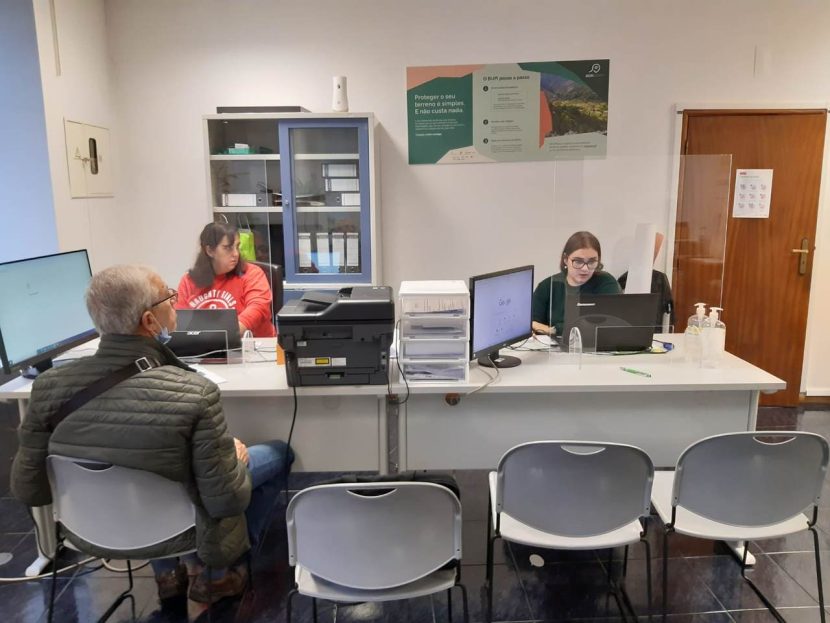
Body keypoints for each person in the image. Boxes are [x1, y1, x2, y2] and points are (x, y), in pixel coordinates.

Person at [10, 265, 292, 604]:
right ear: (149, 321)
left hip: (89, 531)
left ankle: (168, 577)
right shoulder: (195, 393)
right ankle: (220, 575)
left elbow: (28, 487)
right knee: (279, 453)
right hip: (177, 530)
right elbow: (226, 499)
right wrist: (234, 459)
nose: (175, 304)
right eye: (169, 299)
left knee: (149, 462)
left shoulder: (47, 388)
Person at [177, 222, 277, 337]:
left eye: (237, 247)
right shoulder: (188, 281)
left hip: (252, 344)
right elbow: (180, 321)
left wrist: (226, 334)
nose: (236, 254)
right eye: (228, 248)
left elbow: (258, 308)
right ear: (210, 251)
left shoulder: (252, 273)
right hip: (204, 345)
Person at [531, 230, 621, 337]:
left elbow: (602, 325)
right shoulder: (547, 286)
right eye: (578, 261)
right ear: (565, 259)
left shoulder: (606, 283)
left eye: (592, 262)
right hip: (550, 347)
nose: (585, 268)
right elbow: (533, 324)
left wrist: (553, 330)